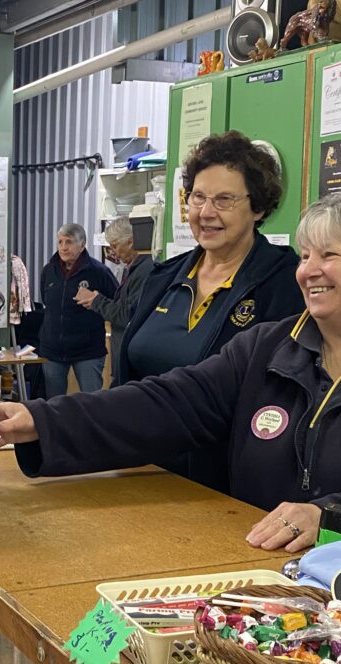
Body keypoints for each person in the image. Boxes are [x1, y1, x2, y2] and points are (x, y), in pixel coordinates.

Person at [0, 188, 341, 552]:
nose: (308, 271)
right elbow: (168, 403)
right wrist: (43, 421)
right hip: (251, 575)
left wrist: (331, 517)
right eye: (304, 256)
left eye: (330, 255)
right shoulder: (268, 347)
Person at [114, 132, 304, 491]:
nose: (206, 212)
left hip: (227, 488)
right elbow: (125, 381)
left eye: (225, 200)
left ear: (258, 207)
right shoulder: (164, 277)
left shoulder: (285, 285)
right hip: (141, 476)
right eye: (198, 197)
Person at [37, 222, 118, 396]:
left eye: (69, 242)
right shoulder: (48, 271)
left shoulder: (99, 272)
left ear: (82, 245)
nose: (63, 247)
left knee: (92, 403)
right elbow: (47, 302)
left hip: (88, 351)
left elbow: (116, 305)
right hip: (53, 351)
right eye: (60, 242)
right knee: (54, 405)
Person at [74, 217, 154, 386]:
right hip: (123, 358)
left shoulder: (145, 271)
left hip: (132, 363)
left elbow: (128, 315)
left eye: (115, 246)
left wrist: (96, 301)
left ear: (130, 242)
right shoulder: (131, 269)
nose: (113, 252)